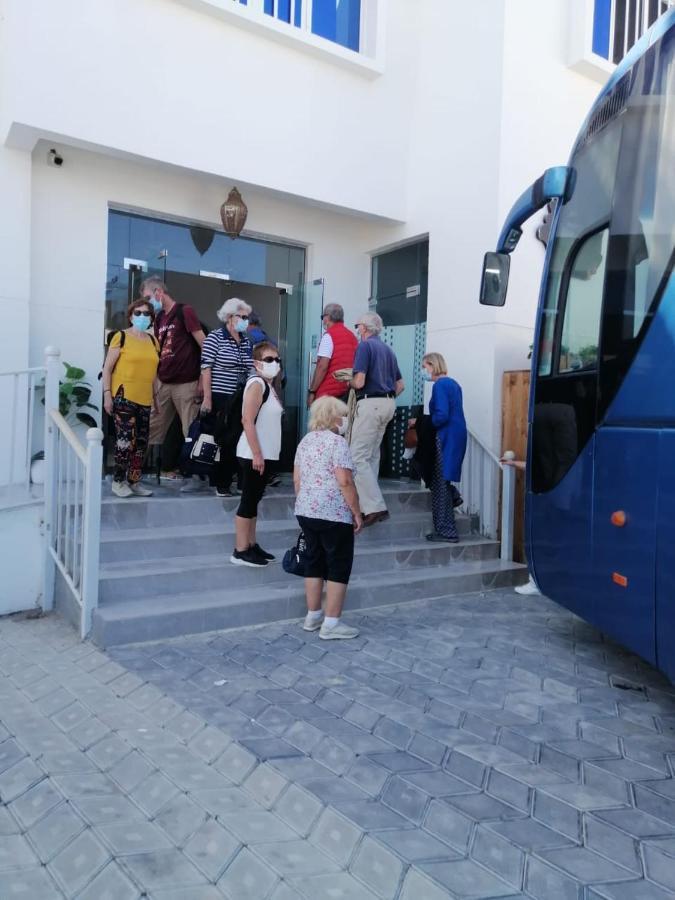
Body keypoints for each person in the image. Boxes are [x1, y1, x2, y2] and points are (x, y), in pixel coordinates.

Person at [294, 396, 362, 639]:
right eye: (343, 415)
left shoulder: (305, 442)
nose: (345, 420)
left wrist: (305, 502)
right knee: (338, 564)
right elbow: (344, 480)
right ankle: (332, 623)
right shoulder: (337, 443)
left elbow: (297, 480)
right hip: (334, 512)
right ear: (333, 417)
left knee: (314, 561)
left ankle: (313, 616)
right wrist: (356, 511)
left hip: (307, 510)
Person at [139, 277, 206, 489]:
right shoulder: (159, 319)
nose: (148, 304)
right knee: (150, 426)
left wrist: (203, 381)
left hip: (186, 382)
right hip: (164, 383)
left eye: (149, 298)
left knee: (191, 430)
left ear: (159, 292)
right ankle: (133, 472)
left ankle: (197, 477)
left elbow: (205, 345)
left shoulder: (184, 311)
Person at [231, 342, 284, 567]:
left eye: (277, 359)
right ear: (257, 362)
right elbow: (247, 420)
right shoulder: (256, 383)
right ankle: (240, 549)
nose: (274, 363)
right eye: (269, 359)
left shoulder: (269, 386)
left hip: (266, 453)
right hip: (253, 453)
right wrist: (257, 454)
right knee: (248, 500)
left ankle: (251, 544)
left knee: (254, 500)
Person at [349, 312, 404, 527]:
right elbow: (400, 385)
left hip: (370, 402)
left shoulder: (365, 347)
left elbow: (360, 381)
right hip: (388, 403)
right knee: (371, 456)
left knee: (356, 456)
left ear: (364, 328)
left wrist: (349, 382)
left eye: (357, 325)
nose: (357, 329)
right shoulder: (388, 350)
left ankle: (375, 506)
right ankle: (366, 506)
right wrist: (385, 398)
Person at [101, 299, 160, 498]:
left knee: (141, 443)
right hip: (124, 396)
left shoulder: (153, 341)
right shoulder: (120, 337)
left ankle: (134, 481)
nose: (142, 317)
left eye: (146, 314)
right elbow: (107, 369)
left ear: (152, 318)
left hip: (145, 398)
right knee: (125, 441)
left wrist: (156, 400)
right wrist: (107, 395)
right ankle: (118, 481)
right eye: (138, 313)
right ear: (130, 315)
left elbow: (153, 375)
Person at [200, 298, 254, 497]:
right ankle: (221, 483)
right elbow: (206, 367)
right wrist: (207, 398)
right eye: (242, 317)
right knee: (225, 440)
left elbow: (250, 368)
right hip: (221, 396)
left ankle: (239, 481)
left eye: (247, 318)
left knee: (241, 439)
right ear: (229, 317)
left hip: (242, 396)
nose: (245, 321)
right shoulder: (215, 337)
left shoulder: (246, 341)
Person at [424, 352, 467, 543]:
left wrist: (424, 424)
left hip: (445, 436)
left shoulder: (440, 385)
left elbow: (441, 415)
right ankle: (454, 496)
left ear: (432, 366)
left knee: (439, 483)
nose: (424, 371)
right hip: (456, 435)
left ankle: (446, 531)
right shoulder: (453, 384)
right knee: (444, 480)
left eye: (425, 366)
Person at [500, 455, 542, 596]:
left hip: (544, 499)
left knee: (537, 543)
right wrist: (512, 462)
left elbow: (534, 467)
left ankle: (536, 584)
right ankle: (537, 583)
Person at [307, 303, 358, 406]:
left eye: (322, 317)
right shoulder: (353, 337)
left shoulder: (329, 336)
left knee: (325, 422)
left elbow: (322, 367)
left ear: (327, 318)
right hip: (348, 392)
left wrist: (312, 391)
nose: (323, 320)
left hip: (329, 395)